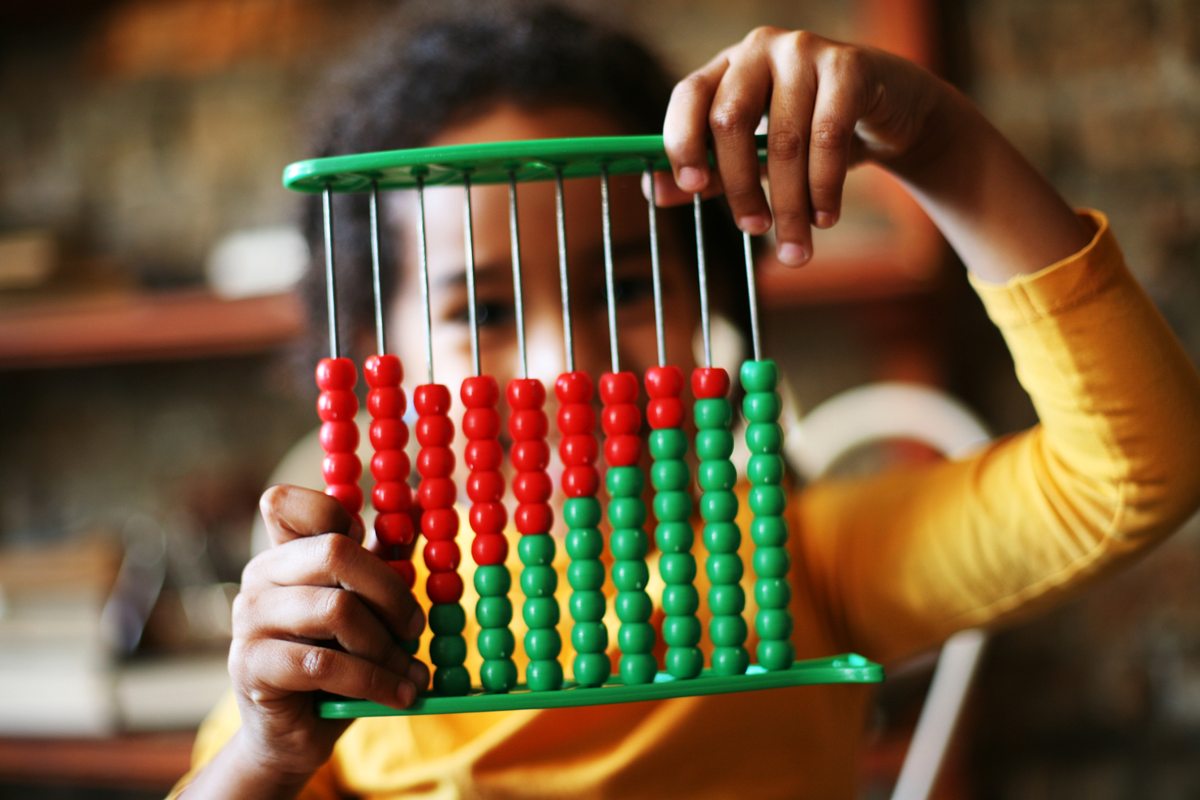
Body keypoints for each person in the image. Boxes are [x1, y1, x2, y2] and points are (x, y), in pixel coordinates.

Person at [171, 3, 1200, 798]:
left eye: (622, 286)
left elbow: (1136, 469)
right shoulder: (360, 640)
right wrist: (263, 754)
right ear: (375, 353)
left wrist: (941, 146)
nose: (564, 360)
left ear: (710, 287)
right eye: (476, 308)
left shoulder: (800, 572)